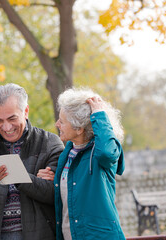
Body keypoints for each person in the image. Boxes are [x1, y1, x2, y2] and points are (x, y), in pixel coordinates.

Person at [0, 83, 65, 240]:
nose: (6, 127)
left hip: (40, 235)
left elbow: (56, 194)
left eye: (12, 118)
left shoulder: (49, 143)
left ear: (25, 111)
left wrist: (19, 177)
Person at [51, 87, 126, 240]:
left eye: (62, 121)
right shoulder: (67, 153)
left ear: (79, 129)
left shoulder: (101, 152)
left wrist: (99, 115)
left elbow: (107, 152)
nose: (57, 124)